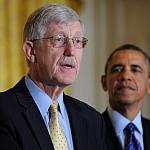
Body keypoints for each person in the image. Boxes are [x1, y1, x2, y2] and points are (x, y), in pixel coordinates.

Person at [0, 3, 106, 150]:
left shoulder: (92, 120)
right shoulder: (3, 111)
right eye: (59, 39)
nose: (71, 51)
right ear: (31, 51)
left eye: (77, 41)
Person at [101, 44, 150, 150]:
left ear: (149, 85)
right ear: (104, 82)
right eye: (117, 69)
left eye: (135, 69)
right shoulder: (90, 130)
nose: (125, 76)